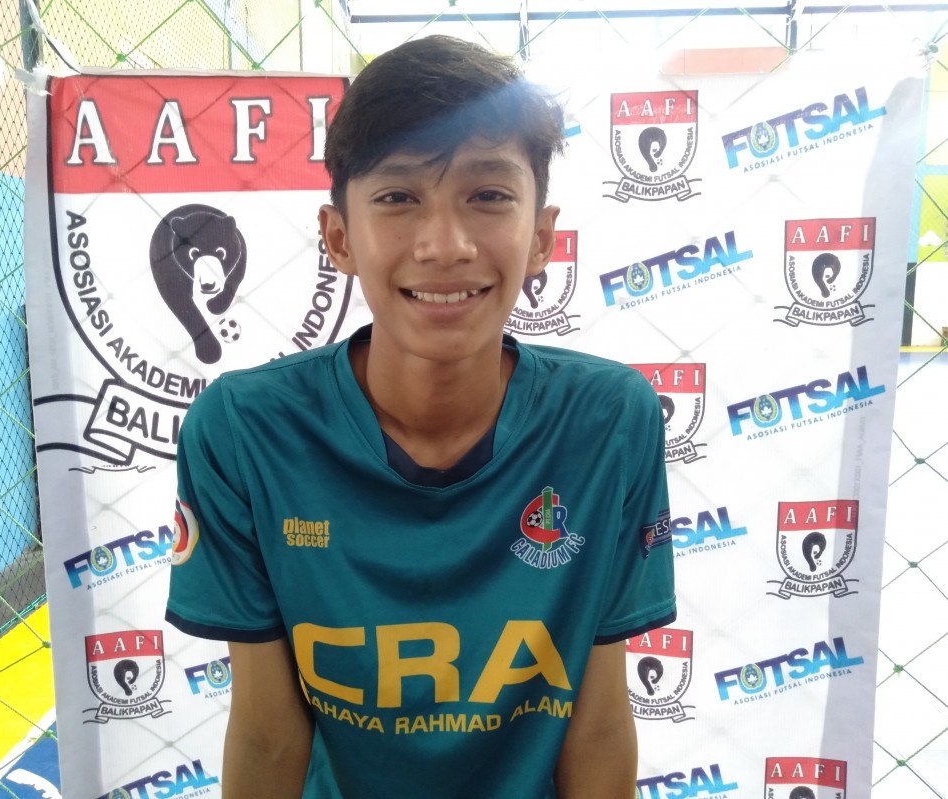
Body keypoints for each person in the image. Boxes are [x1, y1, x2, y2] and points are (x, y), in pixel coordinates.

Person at [166, 34, 676, 799]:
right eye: (399, 197)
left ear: (542, 237)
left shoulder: (609, 423)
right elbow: (269, 733)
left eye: (488, 194)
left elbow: (597, 723)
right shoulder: (242, 433)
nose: (445, 245)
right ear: (339, 236)